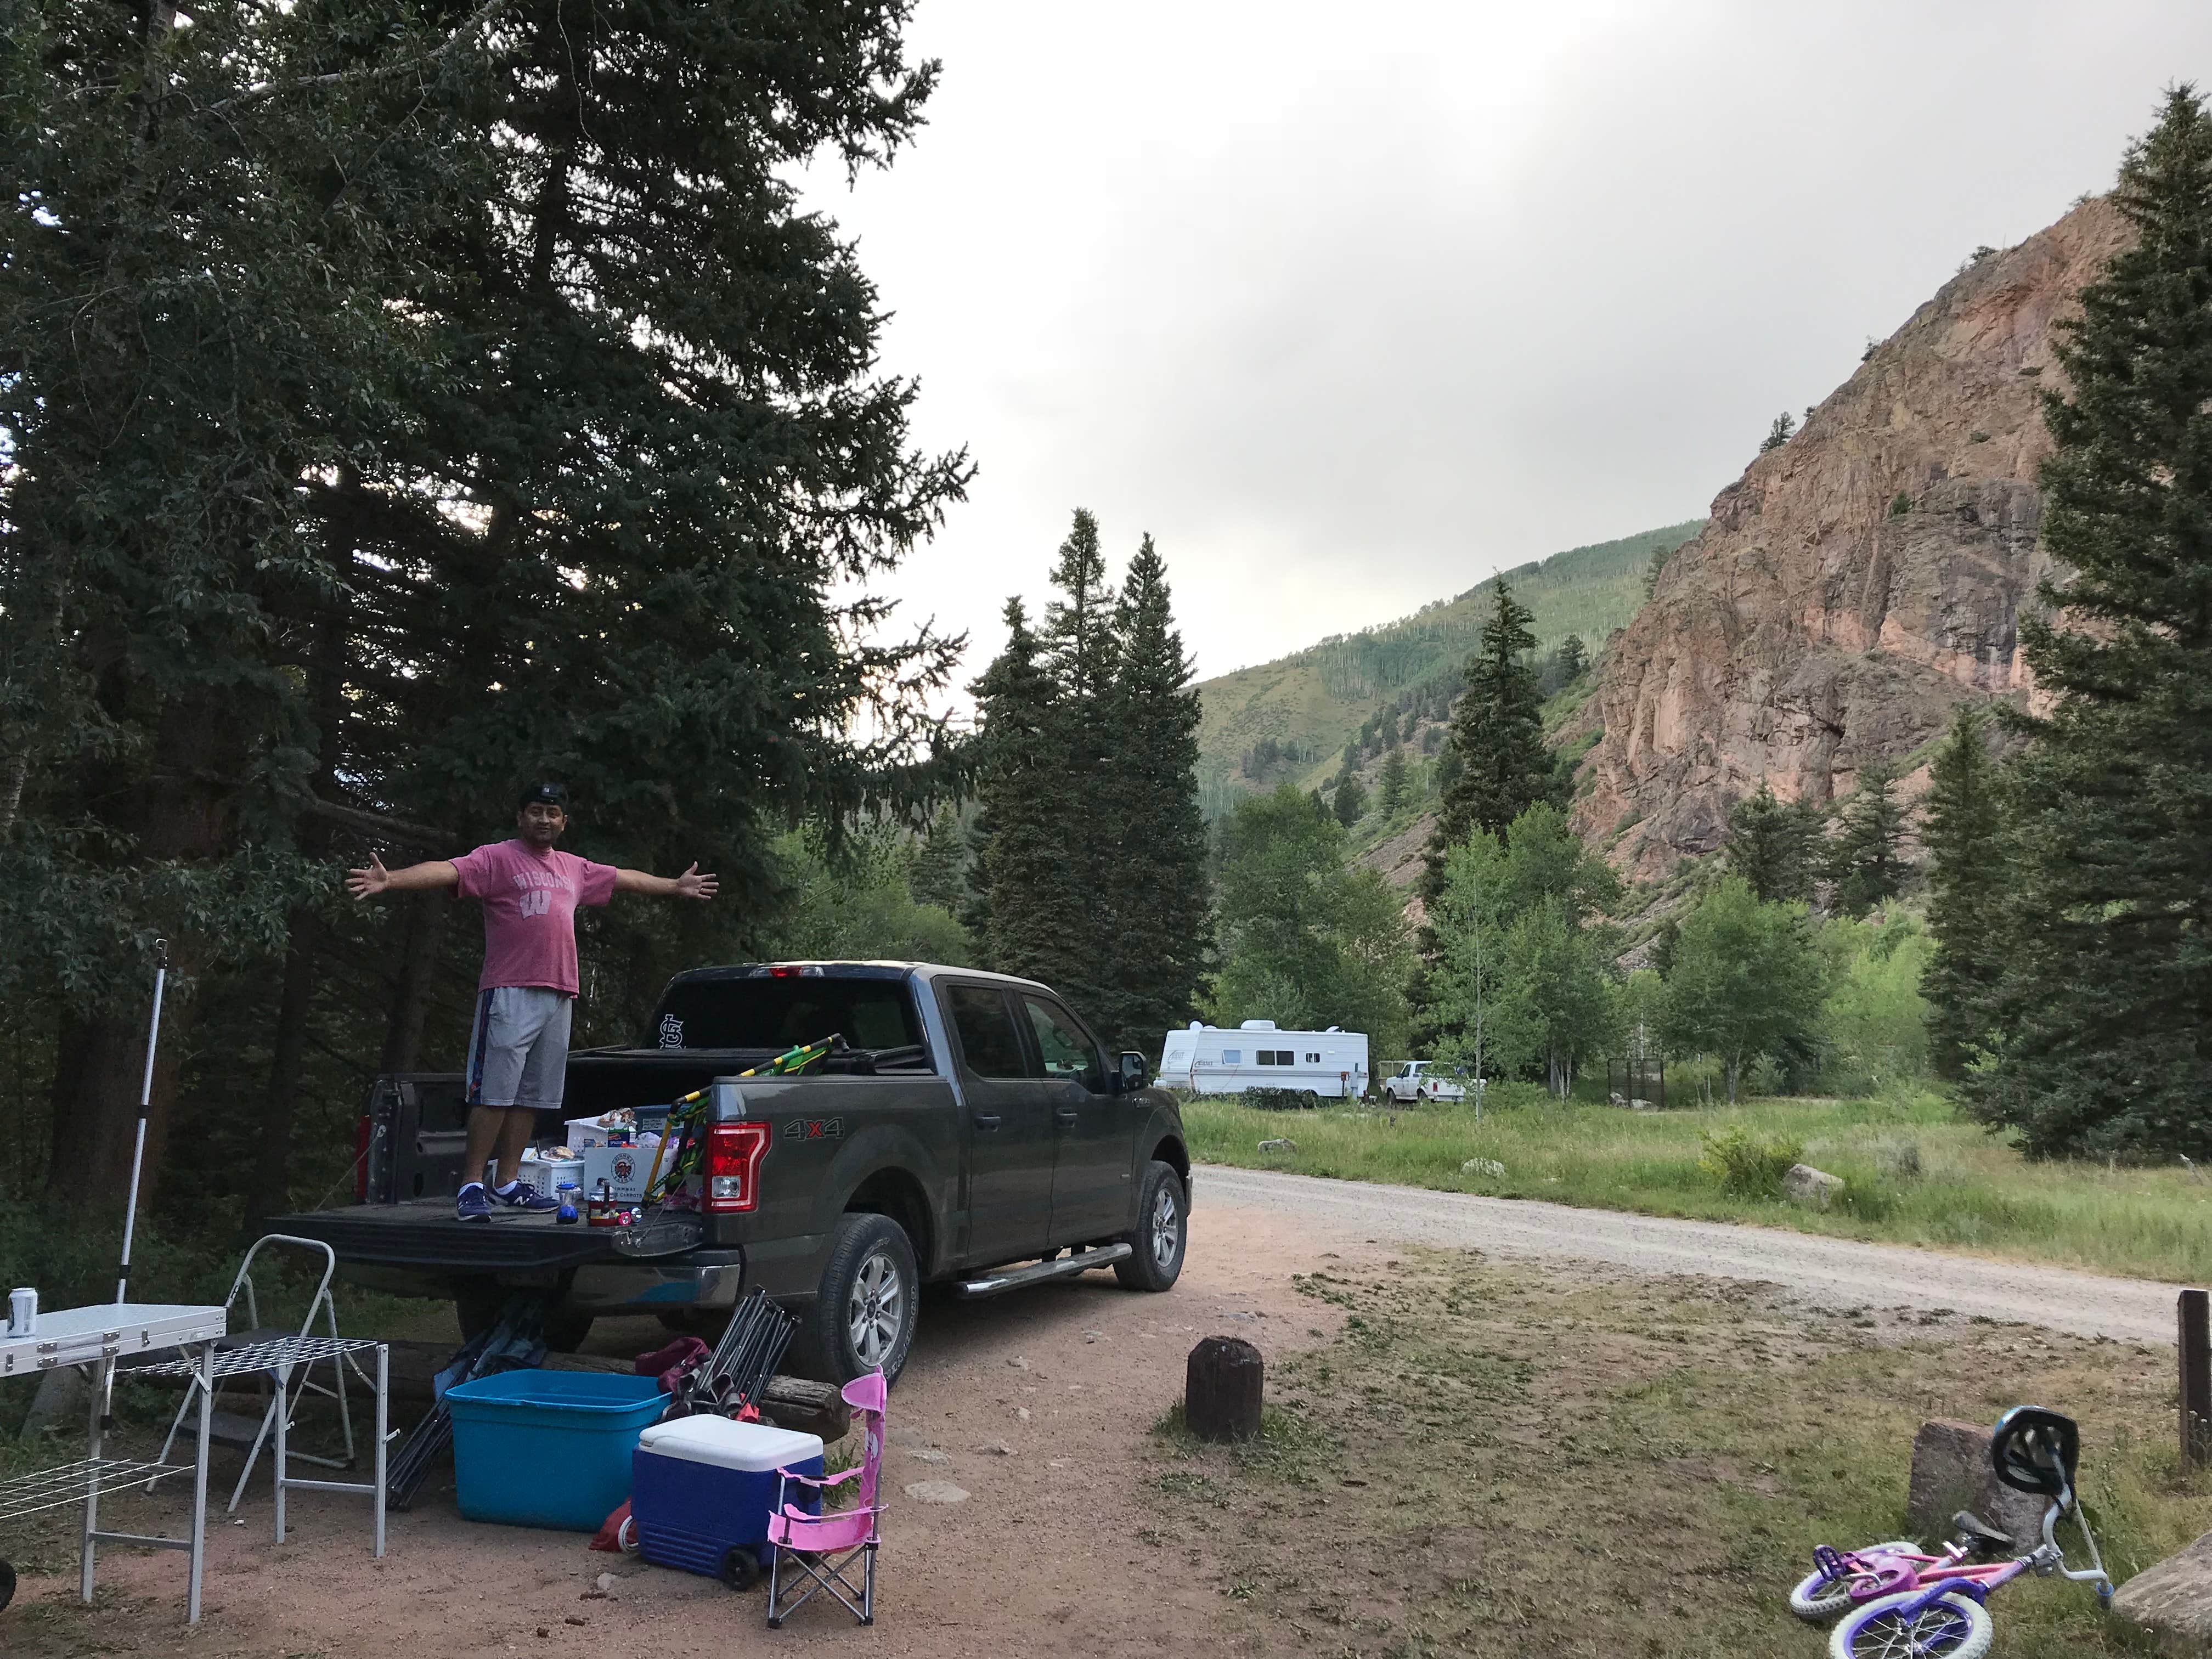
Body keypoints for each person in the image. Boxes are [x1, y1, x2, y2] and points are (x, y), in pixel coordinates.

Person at [346, 782, 718, 1221]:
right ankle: (471, 1186)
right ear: (521, 818)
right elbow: (447, 870)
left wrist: (675, 886)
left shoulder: (573, 868)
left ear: (564, 822)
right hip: (510, 992)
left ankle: (507, 1182)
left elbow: (624, 878)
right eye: (536, 811)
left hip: (560, 993)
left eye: (553, 813)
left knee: (532, 1097)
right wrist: (391, 881)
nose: (545, 819)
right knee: (493, 1094)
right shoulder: (496, 859)